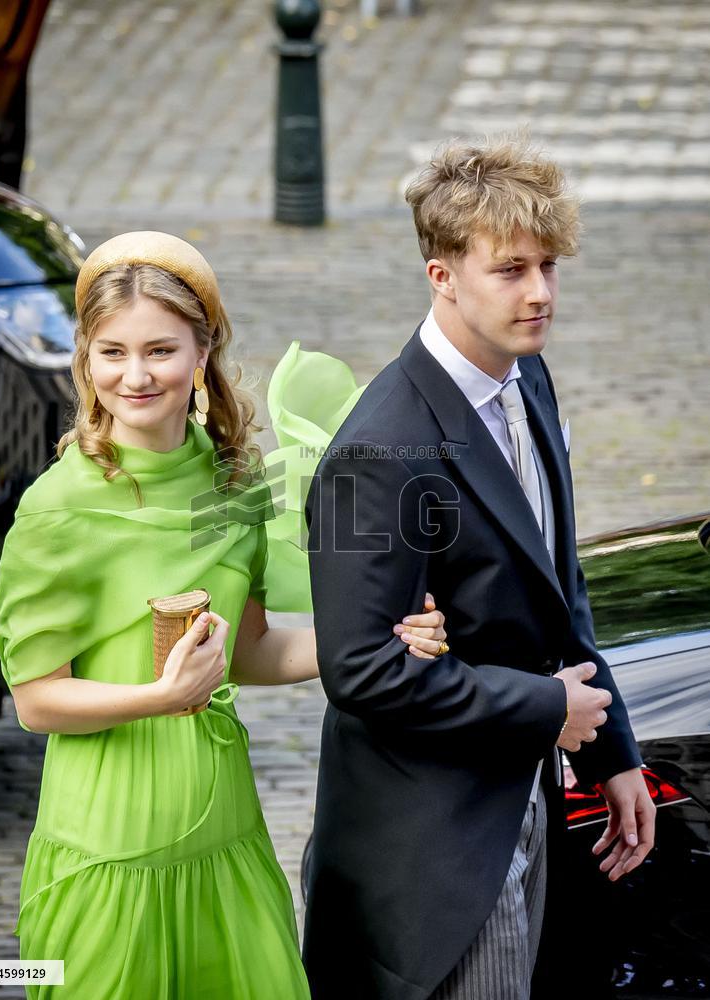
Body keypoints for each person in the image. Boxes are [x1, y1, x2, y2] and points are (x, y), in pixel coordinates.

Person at [0, 231, 448, 999]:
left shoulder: (233, 482)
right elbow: (37, 701)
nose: (134, 376)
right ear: (86, 359)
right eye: (112, 353)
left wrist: (378, 637)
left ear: (202, 352)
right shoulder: (57, 510)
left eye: (160, 351)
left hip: (224, 830)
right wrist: (160, 698)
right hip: (111, 843)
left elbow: (250, 651)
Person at [301, 138, 656, 1000]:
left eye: (547, 267)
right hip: (434, 852)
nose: (538, 293)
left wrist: (611, 752)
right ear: (441, 275)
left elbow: (556, 586)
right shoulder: (378, 450)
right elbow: (360, 671)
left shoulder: (528, 379)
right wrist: (549, 709)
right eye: (509, 270)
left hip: (522, 802)